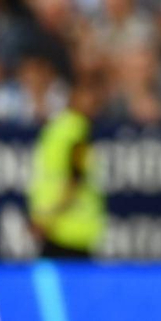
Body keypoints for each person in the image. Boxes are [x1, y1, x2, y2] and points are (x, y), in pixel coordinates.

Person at [26, 73, 106, 259]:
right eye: (87, 95)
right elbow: (74, 181)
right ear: (73, 96)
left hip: (60, 228)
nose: (93, 102)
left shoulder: (55, 128)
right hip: (69, 229)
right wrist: (48, 219)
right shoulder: (77, 133)